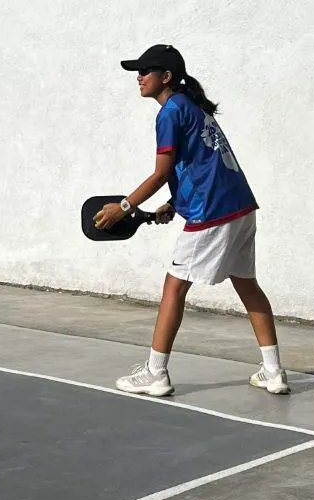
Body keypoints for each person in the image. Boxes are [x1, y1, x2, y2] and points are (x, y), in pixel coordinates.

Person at [94, 44, 289, 397]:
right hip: (241, 208)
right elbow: (202, 164)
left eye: (145, 71)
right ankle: (274, 372)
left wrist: (123, 206)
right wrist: (174, 202)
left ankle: (155, 373)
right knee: (247, 285)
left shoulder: (170, 112)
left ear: (166, 76)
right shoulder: (192, 107)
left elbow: (160, 173)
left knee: (174, 288)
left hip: (211, 213)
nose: (138, 77)